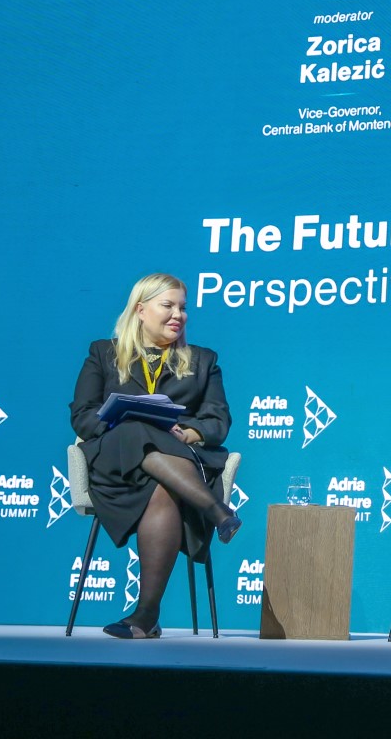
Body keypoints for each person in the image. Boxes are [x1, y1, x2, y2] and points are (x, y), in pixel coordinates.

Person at [69, 274, 240, 640]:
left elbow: (218, 421)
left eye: (183, 307)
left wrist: (189, 433)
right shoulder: (102, 353)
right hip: (116, 467)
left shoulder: (203, 360)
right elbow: (82, 415)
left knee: (163, 487)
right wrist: (119, 421)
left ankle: (146, 616)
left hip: (181, 466)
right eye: (168, 305)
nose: (178, 314)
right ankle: (217, 511)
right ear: (140, 309)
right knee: (135, 427)